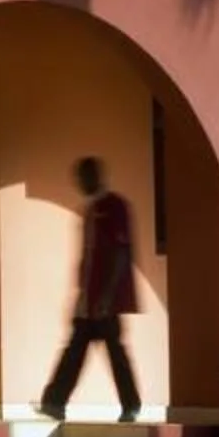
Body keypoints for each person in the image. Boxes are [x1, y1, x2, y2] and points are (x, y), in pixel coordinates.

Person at [40, 154, 139, 423]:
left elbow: (120, 252)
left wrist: (108, 294)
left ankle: (131, 405)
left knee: (113, 352)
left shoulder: (114, 207)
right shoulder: (90, 211)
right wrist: (81, 294)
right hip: (89, 297)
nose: (80, 183)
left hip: (104, 298)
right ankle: (54, 401)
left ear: (94, 176)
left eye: (83, 177)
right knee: (77, 349)